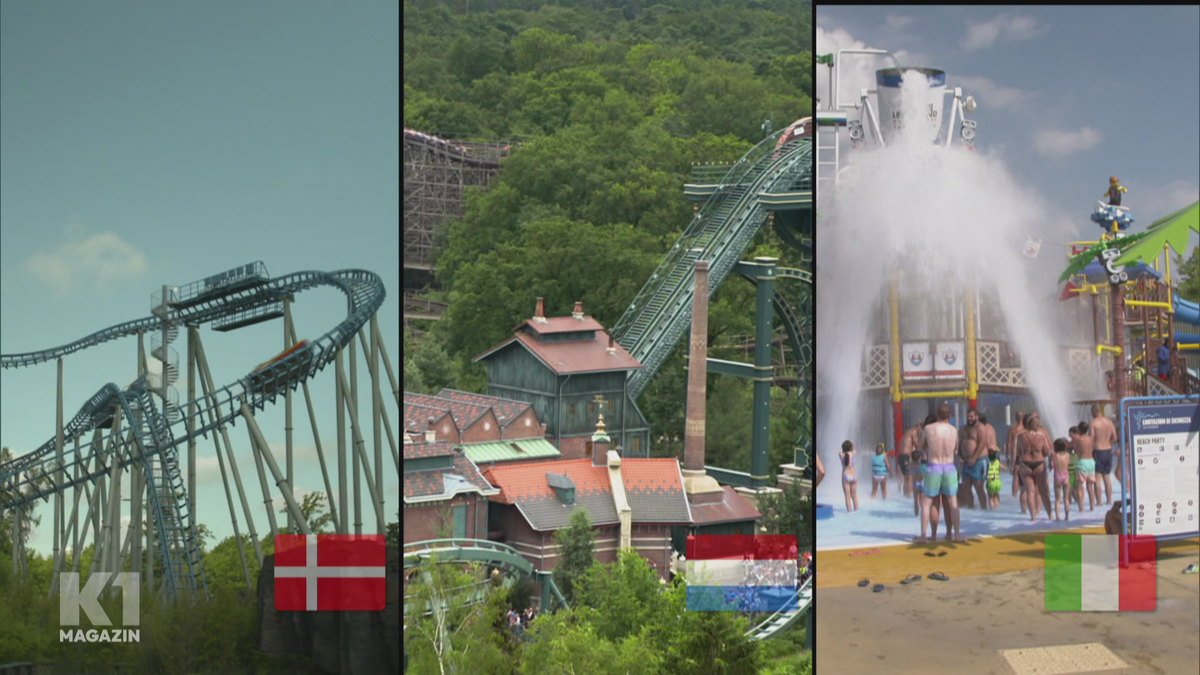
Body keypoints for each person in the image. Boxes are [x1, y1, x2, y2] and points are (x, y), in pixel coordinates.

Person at [915, 404, 964, 543]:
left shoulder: (928, 429)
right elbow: (955, 449)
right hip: (949, 467)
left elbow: (921, 447)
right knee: (952, 501)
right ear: (950, 416)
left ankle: (925, 535)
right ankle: (956, 535)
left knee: (927, 502)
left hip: (933, 466)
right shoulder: (954, 430)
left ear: (937, 415)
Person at [1017, 415, 1054, 522]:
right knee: (1043, 492)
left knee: (1030, 492)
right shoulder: (1041, 437)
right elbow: (1046, 452)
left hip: (1025, 463)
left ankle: (1033, 517)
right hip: (1039, 464)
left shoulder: (1021, 436)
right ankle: (1050, 515)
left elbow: (1018, 451)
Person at [1088, 404, 1119, 504]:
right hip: (1108, 451)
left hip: (1098, 451)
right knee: (1107, 477)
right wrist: (1108, 443)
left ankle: (1099, 502)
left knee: (1097, 478)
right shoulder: (1109, 422)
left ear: (1094, 412)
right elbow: (1115, 438)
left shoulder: (1093, 423)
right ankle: (1109, 500)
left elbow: (1091, 438)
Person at [958, 409, 988, 510]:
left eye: (971, 416)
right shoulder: (963, 428)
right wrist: (960, 456)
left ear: (976, 417)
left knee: (978, 487)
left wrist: (974, 457)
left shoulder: (980, 427)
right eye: (968, 417)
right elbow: (960, 443)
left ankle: (984, 509)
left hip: (979, 460)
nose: (969, 419)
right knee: (966, 487)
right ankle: (971, 509)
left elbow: (982, 443)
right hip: (966, 462)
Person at [1071, 420, 1098, 511]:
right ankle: (1092, 507)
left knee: (1079, 486)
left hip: (1082, 461)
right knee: (1090, 487)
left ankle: (1081, 508)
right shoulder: (1091, 438)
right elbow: (1093, 447)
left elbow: (1076, 451)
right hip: (1091, 461)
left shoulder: (1078, 440)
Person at [898, 420, 923, 497]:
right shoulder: (913, 432)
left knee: (906, 478)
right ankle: (908, 497)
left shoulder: (908, 432)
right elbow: (917, 445)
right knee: (909, 478)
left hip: (902, 456)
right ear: (919, 427)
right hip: (906, 457)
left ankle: (905, 495)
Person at [1006, 412, 1026, 502]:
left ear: (1015, 417)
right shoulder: (1027, 429)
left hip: (1017, 455)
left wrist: (1008, 456)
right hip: (1026, 455)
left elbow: (1009, 444)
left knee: (1016, 476)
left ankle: (1014, 496)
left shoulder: (1013, 429)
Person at [1052, 438, 1072, 521]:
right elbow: (1068, 463)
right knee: (1066, 499)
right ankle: (1067, 517)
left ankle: (1057, 517)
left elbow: (1051, 463)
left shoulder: (1053, 455)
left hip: (1057, 476)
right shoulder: (1067, 455)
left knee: (1057, 499)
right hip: (1066, 476)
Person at [840, 440, 859, 512]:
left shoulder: (841, 455)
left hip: (845, 476)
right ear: (851, 447)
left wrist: (845, 449)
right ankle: (857, 510)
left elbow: (841, 452)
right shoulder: (853, 453)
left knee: (847, 497)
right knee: (854, 496)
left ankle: (849, 511)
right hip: (854, 475)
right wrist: (851, 447)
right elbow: (853, 450)